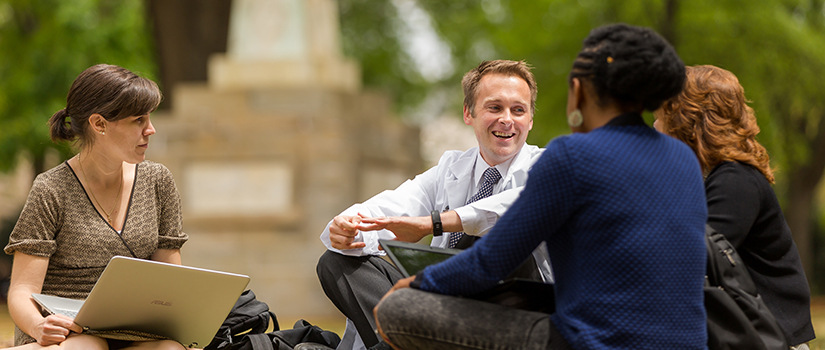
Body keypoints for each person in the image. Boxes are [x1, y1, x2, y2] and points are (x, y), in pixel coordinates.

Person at [374, 23, 708, 350]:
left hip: (592, 340)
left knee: (399, 310)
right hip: (688, 341)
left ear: (579, 92)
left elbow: (491, 261)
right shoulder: (683, 159)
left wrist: (418, 282)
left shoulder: (572, 155)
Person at [316, 59, 552, 349]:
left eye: (518, 110)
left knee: (489, 241)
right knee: (335, 262)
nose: (507, 119)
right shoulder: (450, 168)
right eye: (494, 107)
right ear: (469, 113)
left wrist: (434, 223)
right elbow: (392, 206)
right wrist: (348, 227)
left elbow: (516, 209)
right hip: (437, 306)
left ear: (530, 119)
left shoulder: (547, 166)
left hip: (506, 315)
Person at [4, 64, 188, 349]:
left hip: (135, 333)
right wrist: (39, 326)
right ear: (99, 124)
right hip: (66, 334)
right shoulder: (51, 189)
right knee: (89, 346)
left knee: (171, 349)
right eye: (138, 120)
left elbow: (170, 281)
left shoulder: (158, 181)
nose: (150, 130)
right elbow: (22, 290)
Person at [653, 64, 815, 349]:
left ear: (686, 121)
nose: (654, 127)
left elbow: (690, 260)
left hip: (770, 338)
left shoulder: (735, 181)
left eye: (660, 117)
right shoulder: (716, 178)